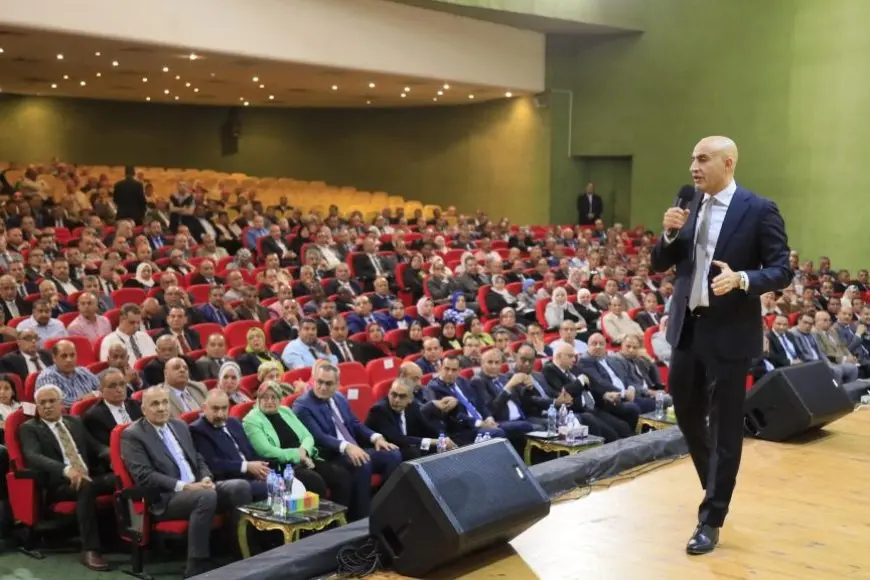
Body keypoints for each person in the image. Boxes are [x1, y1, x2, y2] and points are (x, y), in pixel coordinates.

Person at [650, 136, 792, 555]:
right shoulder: (689, 203)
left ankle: (711, 517)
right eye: (692, 159)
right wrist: (668, 234)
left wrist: (743, 279)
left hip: (730, 332)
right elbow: (660, 262)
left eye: (703, 159)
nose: (693, 167)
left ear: (727, 163)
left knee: (726, 425)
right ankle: (715, 483)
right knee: (687, 412)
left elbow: (782, 270)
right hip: (688, 329)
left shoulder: (759, 209)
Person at [121, 386, 252, 578]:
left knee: (240, 487)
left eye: (165, 402)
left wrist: (205, 477)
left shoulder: (179, 426)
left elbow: (197, 458)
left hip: (198, 486)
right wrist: (186, 486)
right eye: (155, 404)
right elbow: (144, 475)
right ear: (144, 409)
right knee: (205, 496)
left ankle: (239, 550)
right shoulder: (133, 435)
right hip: (166, 497)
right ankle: (196, 565)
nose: (161, 408)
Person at [20, 385, 115, 571]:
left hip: (89, 476)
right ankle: (90, 549)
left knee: (119, 478)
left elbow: (95, 446)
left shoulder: (75, 421)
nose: (47, 406)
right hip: (58, 484)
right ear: (37, 406)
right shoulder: (30, 428)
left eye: (51, 401)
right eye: (42, 403)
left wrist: (114, 455)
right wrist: (66, 469)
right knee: (84, 485)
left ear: (61, 404)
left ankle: (126, 537)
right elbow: (34, 456)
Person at [293, 364, 401, 520]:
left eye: (328, 383)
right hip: (330, 456)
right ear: (314, 380)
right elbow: (318, 436)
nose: (323, 387)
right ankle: (362, 518)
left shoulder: (339, 397)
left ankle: (386, 508)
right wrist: (347, 447)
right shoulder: (302, 405)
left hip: (353, 449)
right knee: (362, 462)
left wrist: (376, 437)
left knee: (393, 454)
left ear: (337, 384)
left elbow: (354, 423)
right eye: (319, 382)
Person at [242, 382, 350, 503]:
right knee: (315, 482)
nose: (269, 401)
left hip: (305, 459)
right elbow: (266, 450)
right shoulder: (251, 420)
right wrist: (298, 455)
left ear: (279, 399)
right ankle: (321, 516)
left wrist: (304, 450)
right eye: (265, 398)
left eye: (274, 397)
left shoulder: (285, 411)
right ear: (258, 399)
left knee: (340, 475)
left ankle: (341, 515)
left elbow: (307, 436)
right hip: (282, 467)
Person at [189, 390, 269, 501]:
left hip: (251, 477)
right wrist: (246, 466)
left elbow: (250, 451)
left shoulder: (233, 422)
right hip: (229, 481)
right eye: (215, 409)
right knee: (268, 488)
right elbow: (213, 465)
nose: (220, 414)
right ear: (204, 408)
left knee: (282, 479)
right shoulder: (198, 430)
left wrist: (262, 470)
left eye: (224, 408)